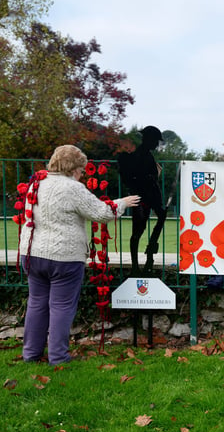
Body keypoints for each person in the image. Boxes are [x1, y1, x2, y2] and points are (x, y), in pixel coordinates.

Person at [19, 145, 140, 365]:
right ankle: (58, 357)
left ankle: (30, 354)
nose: (83, 173)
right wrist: (123, 203)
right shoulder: (73, 188)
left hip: (31, 253)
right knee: (61, 306)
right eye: (82, 169)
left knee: (36, 303)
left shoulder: (36, 184)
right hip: (64, 257)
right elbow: (101, 213)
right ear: (74, 168)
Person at [118, 126, 167, 273]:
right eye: (156, 141)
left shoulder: (147, 155)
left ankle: (151, 251)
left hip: (151, 195)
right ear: (149, 139)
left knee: (161, 217)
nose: (157, 144)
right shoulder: (139, 155)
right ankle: (135, 265)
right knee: (138, 231)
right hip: (142, 197)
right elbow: (139, 178)